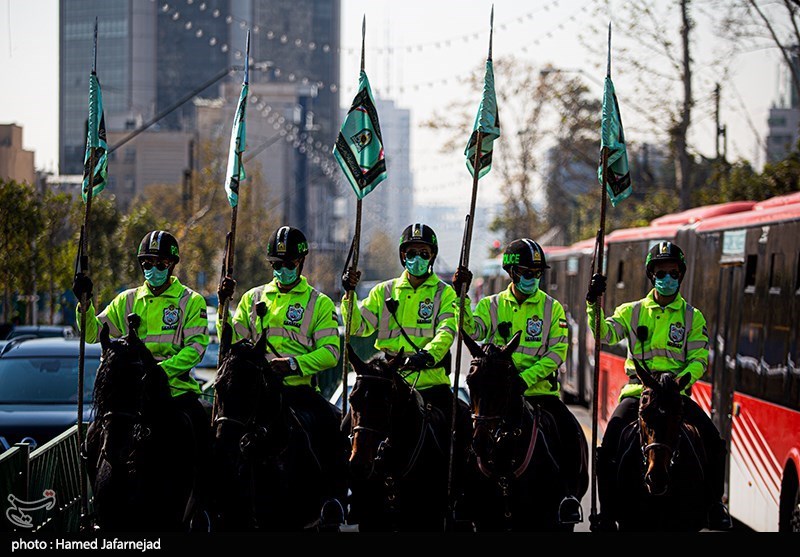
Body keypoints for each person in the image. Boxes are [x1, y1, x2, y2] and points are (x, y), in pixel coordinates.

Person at [585, 240, 732, 531]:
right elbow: (604, 333)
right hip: (639, 394)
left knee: (714, 441)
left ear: (681, 275)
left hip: (676, 395)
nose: (668, 279)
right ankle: (606, 511)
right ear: (652, 276)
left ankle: (715, 505)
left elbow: (700, 358)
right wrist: (593, 303)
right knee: (609, 442)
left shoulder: (693, 316)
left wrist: (679, 382)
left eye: (673, 273)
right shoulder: (632, 310)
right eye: (662, 273)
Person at [71, 229, 212, 527]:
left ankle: (205, 507)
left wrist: (160, 371)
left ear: (171, 265)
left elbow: (196, 348)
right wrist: (84, 304)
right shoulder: (127, 299)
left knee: (203, 432)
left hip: (174, 394)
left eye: (160, 264)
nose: (153, 269)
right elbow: (93, 333)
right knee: (94, 434)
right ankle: (94, 505)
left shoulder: (191, 301)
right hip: (132, 397)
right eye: (147, 264)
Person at [454, 238, 589, 525]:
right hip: (498, 400)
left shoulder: (552, 309)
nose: (533, 278)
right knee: (467, 436)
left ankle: (568, 497)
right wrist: (461, 297)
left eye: (537, 273)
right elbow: (471, 329)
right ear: (512, 273)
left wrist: (523, 381)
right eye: (527, 273)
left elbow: (556, 353)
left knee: (570, 433)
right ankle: (462, 499)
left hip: (540, 394)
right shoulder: (491, 305)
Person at [217, 225, 347, 517]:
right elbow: (232, 341)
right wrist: (224, 305)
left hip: (298, 393)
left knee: (333, 425)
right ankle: (212, 503)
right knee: (222, 432)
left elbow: (331, 353)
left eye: (288, 264)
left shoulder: (319, 303)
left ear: (301, 262)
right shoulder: (252, 298)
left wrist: (292, 364)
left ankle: (332, 501)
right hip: (256, 395)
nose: (282, 270)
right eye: (276, 264)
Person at [340, 223, 472, 481]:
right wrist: (349, 294)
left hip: (431, 385)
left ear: (432, 256)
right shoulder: (383, 291)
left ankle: (459, 497)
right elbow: (357, 326)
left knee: (465, 424)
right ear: (403, 256)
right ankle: (342, 498)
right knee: (346, 427)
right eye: (411, 253)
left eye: (423, 253)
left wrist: (427, 354)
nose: (417, 259)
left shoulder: (444, 293)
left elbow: (447, 330)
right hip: (388, 385)